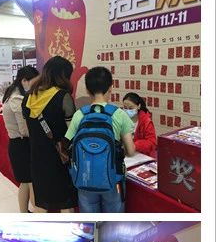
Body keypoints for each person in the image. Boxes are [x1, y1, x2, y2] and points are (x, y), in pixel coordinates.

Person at [64, 66, 136, 213]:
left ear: (87, 90)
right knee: (113, 222)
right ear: (110, 88)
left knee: (90, 221)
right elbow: (130, 151)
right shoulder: (119, 114)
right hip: (112, 179)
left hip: (84, 178)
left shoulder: (79, 114)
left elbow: (68, 144)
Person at [22, 56, 78, 212]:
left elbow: (28, 129)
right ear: (64, 75)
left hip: (37, 157)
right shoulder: (63, 97)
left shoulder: (29, 96)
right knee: (66, 204)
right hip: (60, 158)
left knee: (42, 204)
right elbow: (72, 132)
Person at [1, 65, 40, 213]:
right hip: (23, 146)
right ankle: (37, 213)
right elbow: (24, 130)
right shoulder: (17, 99)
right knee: (32, 184)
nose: (36, 87)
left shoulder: (12, 94)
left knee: (25, 182)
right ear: (24, 80)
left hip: (17, 145)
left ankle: (24, 213)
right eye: (34, 83)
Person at [123, 92, 157, 157]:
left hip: (142, 155)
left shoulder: (146, 121)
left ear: (138, 106)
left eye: (131, 108)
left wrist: (135, 145)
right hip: (126, 155)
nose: (127, 110)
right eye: (125, 108)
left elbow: (152, 143)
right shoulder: (122, 119)